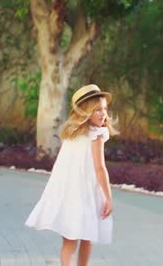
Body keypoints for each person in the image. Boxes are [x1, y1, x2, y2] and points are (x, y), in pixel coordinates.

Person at [25, 84, 119, 266]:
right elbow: (100, 168)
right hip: (87, 193)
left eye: (105, 109)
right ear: (85, 111)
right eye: (97, 109)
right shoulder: (97, 135)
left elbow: (64, 165)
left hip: (69, 192)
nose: (103, 114)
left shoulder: (71, 133)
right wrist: (108, 197)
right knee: (86, 237)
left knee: (70, 239)